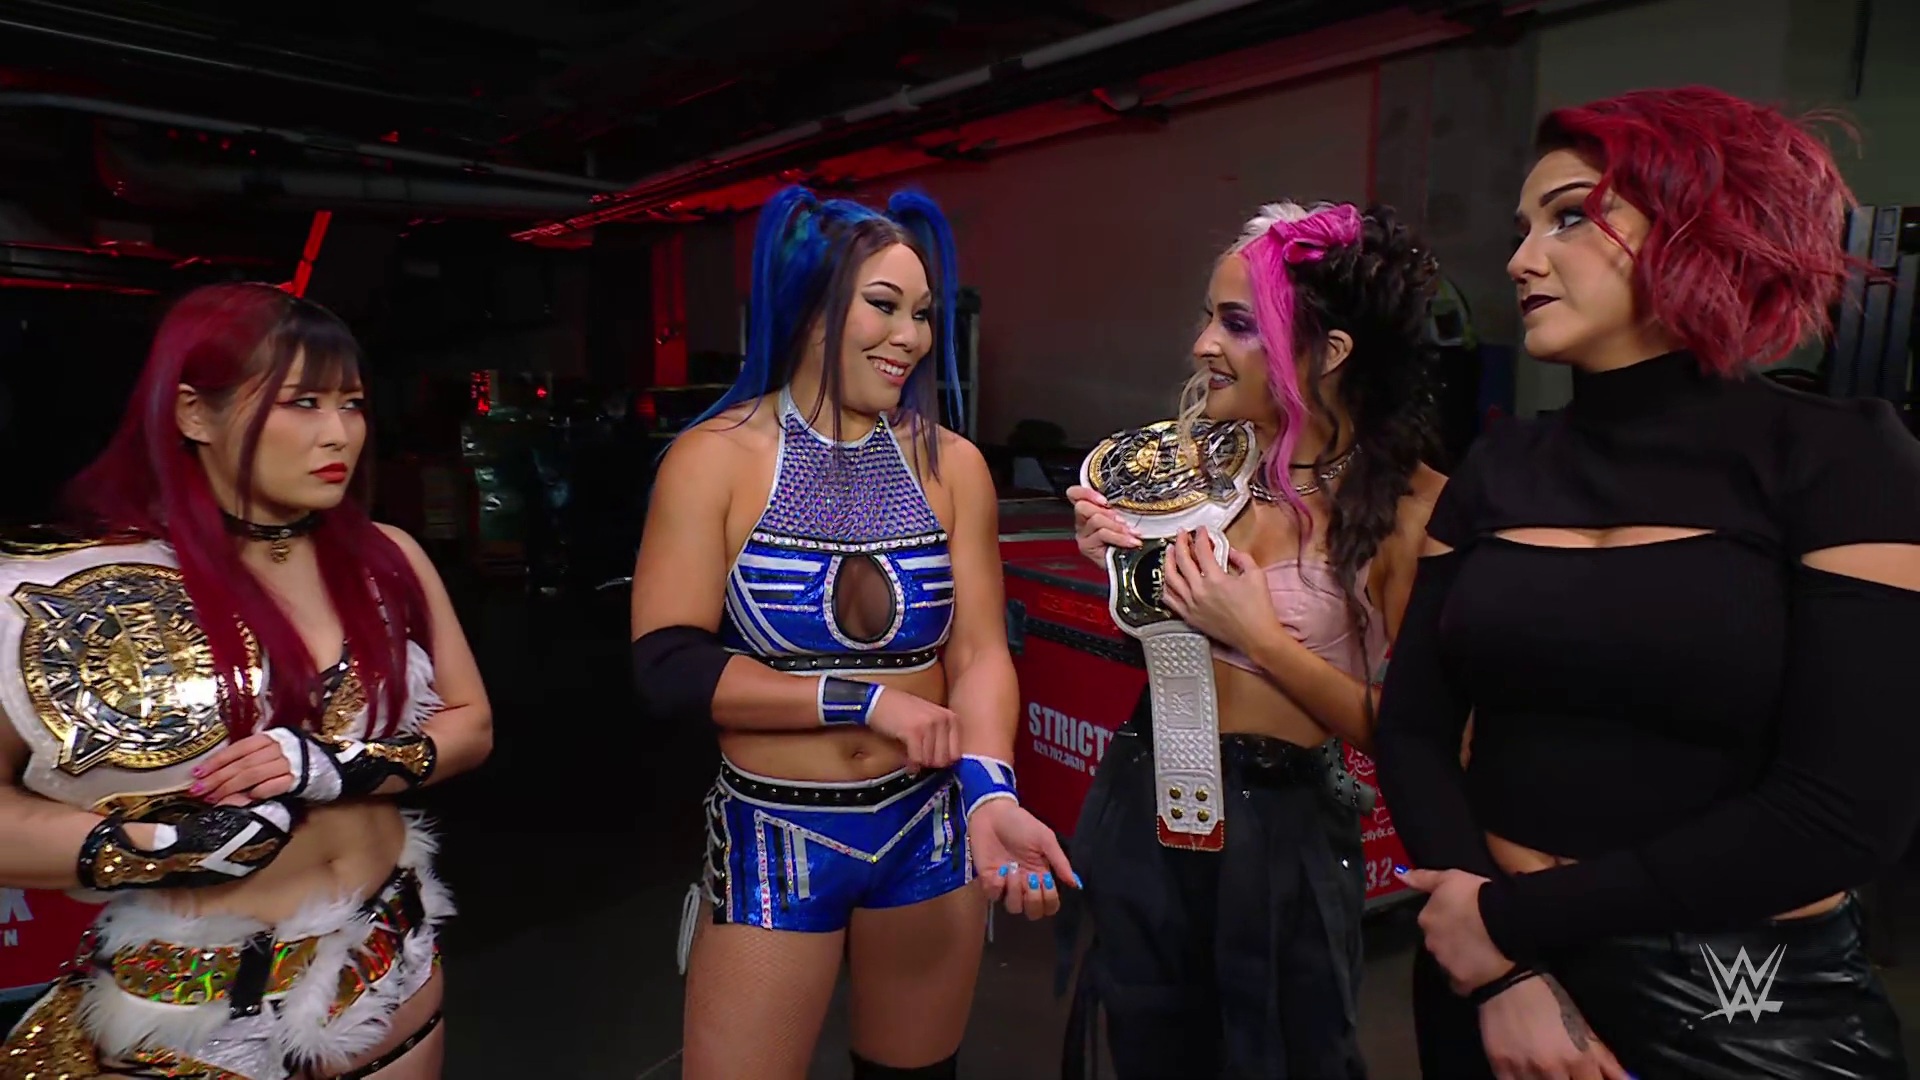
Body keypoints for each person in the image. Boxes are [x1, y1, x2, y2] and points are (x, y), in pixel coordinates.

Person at [1373, 85, 1919, 1080]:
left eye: (1570, 217)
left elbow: (1845, 812)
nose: (1521, 259)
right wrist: (1500, 971)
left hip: (1737, 994)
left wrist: (1505, 921)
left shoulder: (1844, 459)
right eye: (1522, 228)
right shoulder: (1499, 466)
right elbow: (1412, 727)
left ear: (1701, 224)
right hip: (1490, 977)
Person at [628, 185, 1075, 1080]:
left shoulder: (954, 466)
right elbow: (668, 665)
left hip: (928, 830)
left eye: (922, 313)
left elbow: (979, 652)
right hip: (778, 831)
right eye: (883, 305)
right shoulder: (714, 458)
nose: (910, 337)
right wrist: (864, 702)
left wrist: (990, 791)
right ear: (809, 309)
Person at [0, 282, 492, 1080]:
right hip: (194, 1013)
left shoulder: (386, 556)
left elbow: (471, 722)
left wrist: (341, 767)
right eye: (302, 403)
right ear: (195, 414)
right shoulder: (69, 596)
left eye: (352, 404)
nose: (339, 433)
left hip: (393, 961)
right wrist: (160, 847)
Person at [1063, 199, 1447, 1078]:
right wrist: (1124, 557)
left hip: (1285, 837)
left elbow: (1414, 733)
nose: (1203, 344)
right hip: (1143, 801)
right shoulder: (1188, 465)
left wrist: (1263, 640)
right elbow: (1168, 641)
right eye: (1208, 316)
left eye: (1237, 323)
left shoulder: (1412, 508)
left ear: (1331, 351)